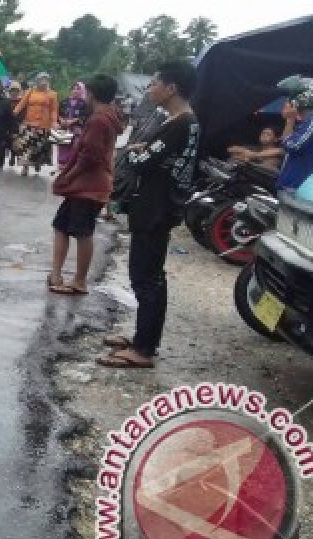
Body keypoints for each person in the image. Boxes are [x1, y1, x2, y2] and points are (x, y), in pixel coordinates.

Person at [98, 61, 200, 369]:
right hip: (160, 206)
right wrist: (145, 149)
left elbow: (142, 160)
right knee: (152, 277)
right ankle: (145, 338)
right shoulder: (185, 122)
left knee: (146, 278)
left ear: (171, 88)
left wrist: (133, 151)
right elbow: (155, 153)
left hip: (155, 209)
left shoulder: (180, 123)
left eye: (155, 83)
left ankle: (143, 350)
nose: (150, 88)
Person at [48, 75, 121, 295]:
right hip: (87, 184)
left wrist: (69, 176)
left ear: (91, 94)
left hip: (88, 185)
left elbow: (89, 155)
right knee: (61, 226)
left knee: (82, 232)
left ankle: (79, 281)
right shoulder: (109, 116)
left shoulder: (98, 119)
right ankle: (56, 273)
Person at [275, 76, 313, 192]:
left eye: (291, 98)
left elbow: (291, 146)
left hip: (297, 188)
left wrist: (290, 119)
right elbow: (286, 146)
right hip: (288, 186)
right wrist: (290, 120)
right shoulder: (306, 122)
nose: (287, 101)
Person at [13, 73, 59, 175]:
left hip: (43, 125)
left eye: (46, 80)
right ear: (37, 81)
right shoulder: (30, 92)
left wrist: (54, 122)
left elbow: (54, 110)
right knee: (25, 147)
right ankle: (25, 167)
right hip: (29, 124)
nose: (44, 82)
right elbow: (21, 104)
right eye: (41, 79)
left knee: (38, 147)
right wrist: (13, 113)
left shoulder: (52, 94)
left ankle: (37, 163)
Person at [56, 82, 90, 169]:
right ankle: (62, 164)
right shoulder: (64, 101)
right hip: (64, 128)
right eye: (74, 89)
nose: (75, 91)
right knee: (63, 146)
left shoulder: (84, 104)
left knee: (75, 146)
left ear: (82, 91)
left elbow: (85, 116)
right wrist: (61, 120)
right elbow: (58, 113)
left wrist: (74, 121)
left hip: (77, 129)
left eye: (78, 89)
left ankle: (71, 164)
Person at [5, 80, 24, 167]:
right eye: (12, 91)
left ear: (19, 92)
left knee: (18, 142)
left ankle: (17, 158)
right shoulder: (6, 101)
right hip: (8, 124)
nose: (14, 93)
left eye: (16, 91)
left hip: (19, 124)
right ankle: (12, 156)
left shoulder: (22, 101)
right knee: (9, 141)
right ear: (10, 92)